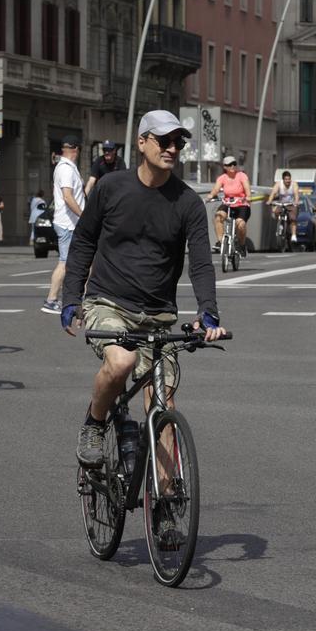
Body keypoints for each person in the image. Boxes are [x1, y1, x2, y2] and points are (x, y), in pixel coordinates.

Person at [61, 110, 226, 520]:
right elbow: (83, 243)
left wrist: (208, 314)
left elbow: (201, 263)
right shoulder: (112, 188)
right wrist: (70, 298)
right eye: (164, 140)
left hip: (158, 317)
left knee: (164, 408)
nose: (172, 148)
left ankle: (166, 508)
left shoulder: (187, 202)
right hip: (108, 304)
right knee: (121, 360)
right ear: (141, 142)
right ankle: (96, 422)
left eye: (179, 142)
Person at [41, 136, 86, 314]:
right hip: (68, 224)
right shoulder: (66, 169)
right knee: (65, 262)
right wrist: (84, 216)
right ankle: (51, 300)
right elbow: (68, 197)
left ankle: (83, 296)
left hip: (70, 223)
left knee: (80, 261)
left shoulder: (66, 167)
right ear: (76, 149)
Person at [208, 155, 251, 255]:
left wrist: (248, 196)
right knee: (218, 217)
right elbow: (216, 189)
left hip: (242, 204)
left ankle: (241, 245)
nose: (232, 166)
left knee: (241, 224)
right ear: (225, 167)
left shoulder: (241, 175)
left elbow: (247, 188)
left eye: (234, 164)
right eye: (229, 165)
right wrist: (211, 195)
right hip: (228, 203)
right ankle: (220, 242)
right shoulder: (222, 178)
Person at [266, 169, 300, 245]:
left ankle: (294, 235)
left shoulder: (294, 184)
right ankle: (280, 224)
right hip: (281, 203)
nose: (288, 181)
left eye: (289, 179)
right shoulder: (278, 184)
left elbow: (296, 194)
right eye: (286, 179)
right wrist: (269, 201)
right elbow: (273, 193)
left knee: (292, 218)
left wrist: (296, 202)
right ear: (283, 179)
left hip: (291, 204)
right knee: (276, 212)